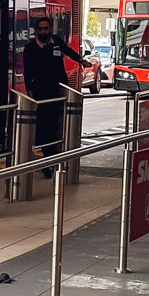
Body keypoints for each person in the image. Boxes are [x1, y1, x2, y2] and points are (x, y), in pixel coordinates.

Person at [23, 17, 90, 177]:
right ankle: (46, 162)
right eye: (40, 29)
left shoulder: (57, 42)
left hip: (56, 92)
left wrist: (82, 61)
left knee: (55, 127)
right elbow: (27, 72)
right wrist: (30, 93)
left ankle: (52, 160)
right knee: (43, 128)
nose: (43, 31)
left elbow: (69, 52)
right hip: (40, 93)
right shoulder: (30, 48)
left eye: (46, 28)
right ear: (36, 30)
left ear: (50, 29)